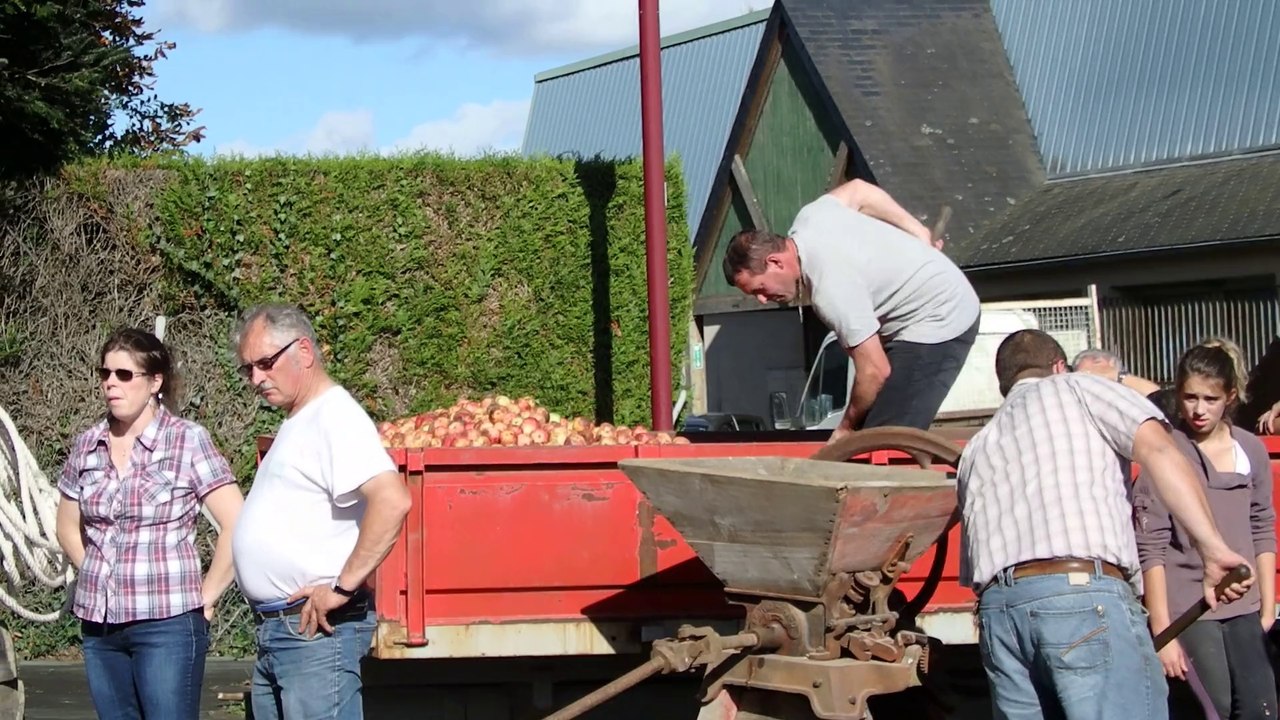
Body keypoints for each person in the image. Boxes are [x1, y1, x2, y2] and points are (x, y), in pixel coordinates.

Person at [957, 329, 1254, 720]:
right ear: (1059, 367)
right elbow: (1160, 449)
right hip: (1079, 597)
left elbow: (973, 570)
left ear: (1004, 386)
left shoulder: (977, 447)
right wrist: (1213, 549)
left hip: (999, 616)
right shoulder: (1078, 389)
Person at [230, 304, 411, 720]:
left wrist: (343, 588)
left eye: (265, 364)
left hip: (313, 635)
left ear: (305, 352)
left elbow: (393, 500)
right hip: (281, 632)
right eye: (248, 369)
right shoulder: (301, 419)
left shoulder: (335, 416)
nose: (256, 379)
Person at [55, 328, 244, 720]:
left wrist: (206, 596)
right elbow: (67, 525)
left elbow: (236, 522)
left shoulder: (187, 441)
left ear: (155, 381)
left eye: (125, 375)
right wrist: (93, 570)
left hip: (167, 624)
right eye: (105, 374)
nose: (111, 384)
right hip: (101, 627)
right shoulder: (87, 445)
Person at [722, 179, 980, 441]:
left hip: (942, 316)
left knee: (885, 442)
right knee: (871, 428)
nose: (764, 299)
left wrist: (845, 429)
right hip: (919, 313)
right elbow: (860, 190)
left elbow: (874, 371)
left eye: (759, 288)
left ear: (775, 261)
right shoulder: (811, 217)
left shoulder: (830, 289)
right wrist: (917, 230)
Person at [1134, 341, 1277, 719]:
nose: (1199, 409)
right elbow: (1152, 547)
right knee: (1214, 709)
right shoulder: (1166, 453)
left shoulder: (1250, 449)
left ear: (1230, 397)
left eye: (1210, 399)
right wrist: (1162, 632)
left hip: (1243, 608)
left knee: (1261, 709)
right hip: (1190, 610)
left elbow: (1263, 526)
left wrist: (1267, 606)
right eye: (1189, 397)